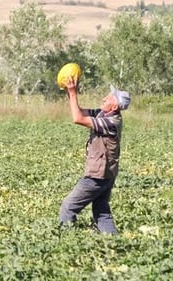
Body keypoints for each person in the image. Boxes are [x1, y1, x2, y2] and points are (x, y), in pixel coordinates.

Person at [58, 78, 131, 234]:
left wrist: (72, 92)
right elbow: (79, 111)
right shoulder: (102, 114)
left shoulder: (111, 122)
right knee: (101, 210)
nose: (104, 98)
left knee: (68, 206)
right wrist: (70, 91)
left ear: (115, 106)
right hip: (107, 174)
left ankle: (65, 239)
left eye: (109, 98)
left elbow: (77, 119)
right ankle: (113, 240)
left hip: (98, 175)